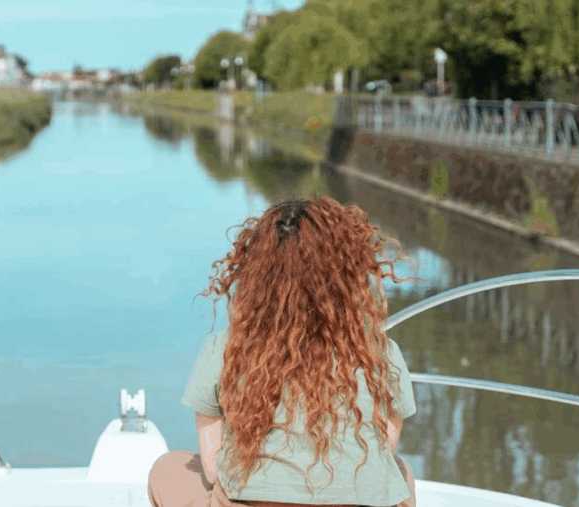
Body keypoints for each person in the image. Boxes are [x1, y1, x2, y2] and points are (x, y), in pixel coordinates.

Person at [148, 196, 419, 507]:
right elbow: (384, 450)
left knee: (166, 470)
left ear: (258, 274)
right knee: (399, 471)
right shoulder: (381, 354)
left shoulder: (226, 350)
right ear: (346, 274)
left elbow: (213, 470)